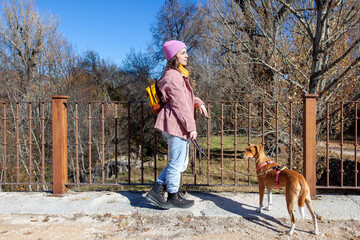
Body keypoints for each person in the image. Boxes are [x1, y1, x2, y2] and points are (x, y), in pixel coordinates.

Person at [145, 40, 208, 209]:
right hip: (176, 125)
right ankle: (172, 194)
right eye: (183, 53)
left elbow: (184, 98)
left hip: (175, 124)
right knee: (176, 162)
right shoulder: (173, 76)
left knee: (179, 162)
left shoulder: (175, 74)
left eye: (186, 52)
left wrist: (198, 102)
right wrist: (191, 127)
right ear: (174, 56)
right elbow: (180, 105)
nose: (187, 55)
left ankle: (158, 189)